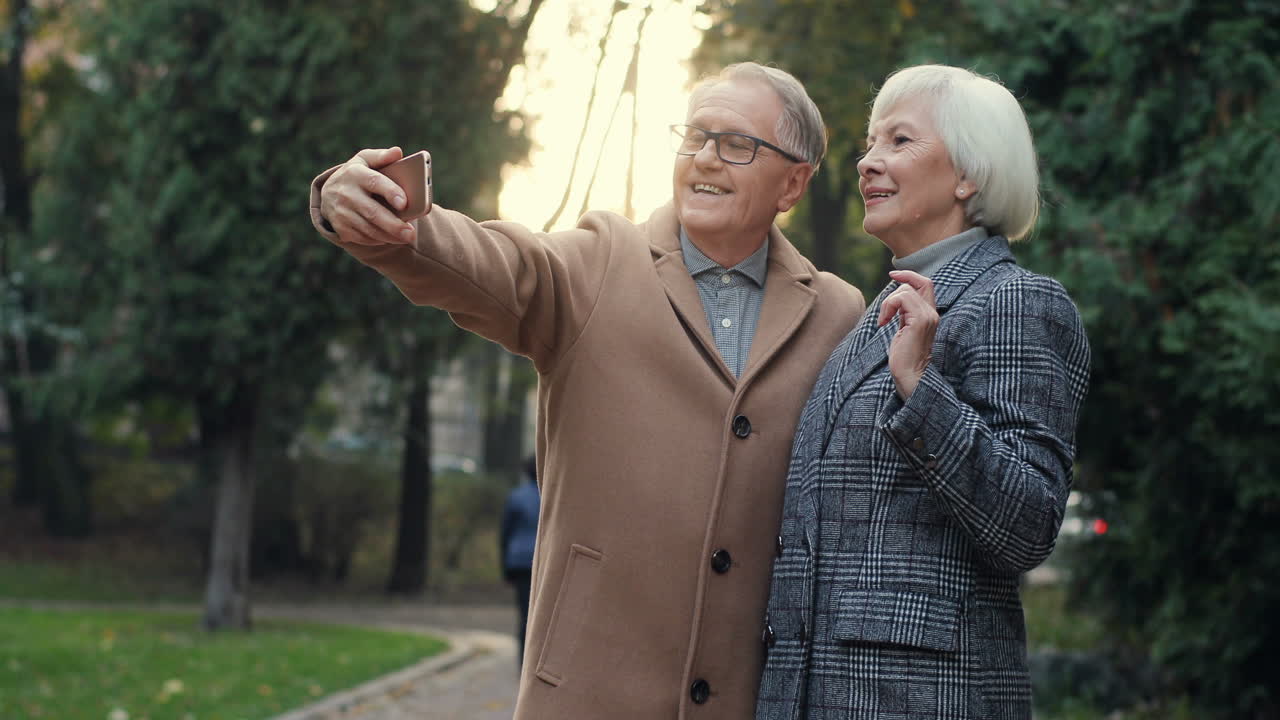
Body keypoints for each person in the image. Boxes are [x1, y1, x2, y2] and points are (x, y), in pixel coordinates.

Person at [310, 62, 867, 719]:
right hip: (588, 690)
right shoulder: (600, 261)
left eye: (736, 144)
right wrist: (376, 213)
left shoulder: (837, 315)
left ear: (794, 181)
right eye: (695, 136)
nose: (706, 158)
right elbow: (492, 263)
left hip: (751, 700)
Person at [755, 64, 1091, 720]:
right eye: (869, 144)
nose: (867, 164)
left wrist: (921, 389)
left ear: (970, 172)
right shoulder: (873, 319)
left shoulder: (1017, 301)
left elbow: (1028, 528)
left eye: (898, 142)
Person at [500, 456, 540, 670]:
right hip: (542, 560)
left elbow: (505, 534)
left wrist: (505, 569)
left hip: (520, 562)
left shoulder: (516, 497)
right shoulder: (551, 495)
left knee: (524, 614)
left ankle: (523, 664)